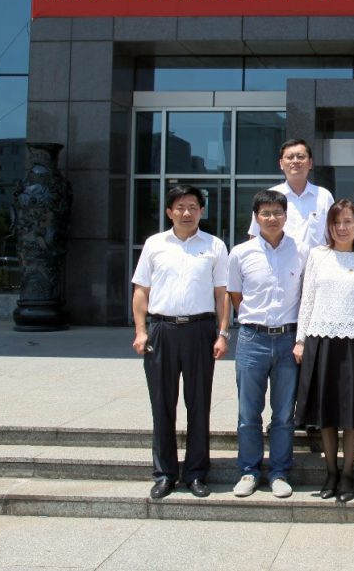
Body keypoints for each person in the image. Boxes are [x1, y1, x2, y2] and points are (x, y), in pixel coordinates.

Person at [131, 185, 230, 500]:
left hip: (200, 330)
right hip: (162, 329)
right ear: (169, 212)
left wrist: (223, 333)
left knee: (199, 404)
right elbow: (141, 291)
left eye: (193, 207)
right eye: (180, 207)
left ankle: (196, 473)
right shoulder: (155, 244)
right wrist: (141, 331)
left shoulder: (214, 246)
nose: (187, 213)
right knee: (162, 404)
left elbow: (221, 294)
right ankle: (164, 474)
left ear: (202, 211)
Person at [293, 200, 354, 503]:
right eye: (336, 223)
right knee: (326, 410)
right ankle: (330, 471)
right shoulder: (318, 255)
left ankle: (348, 473)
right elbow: (307, 298)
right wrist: (300, 339)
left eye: (348, 222)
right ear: (328, 226)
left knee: (352, 412)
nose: (342, 228)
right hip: (320, 339)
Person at [227, 189, 306, 498]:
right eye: (266, 213)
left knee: (284, 414)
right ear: (256, 217)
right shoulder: (240, 253)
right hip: (252, 339)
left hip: (288, 339)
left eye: (277, 213)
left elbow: (305, 295)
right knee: (248, 412)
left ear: (286, 215)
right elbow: (235, 295)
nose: (272, 218)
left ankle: (279, 472)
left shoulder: (301, 251)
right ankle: (249, 470)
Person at [248, 139, 334, 251]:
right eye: (290, 157)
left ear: (310, 163)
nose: (295, 161)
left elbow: (332, 237)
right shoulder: (269, 197)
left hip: (315, 261)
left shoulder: (323, 196)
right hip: (278, 260)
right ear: (281, 164)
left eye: (300, 157)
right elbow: (255, 236)